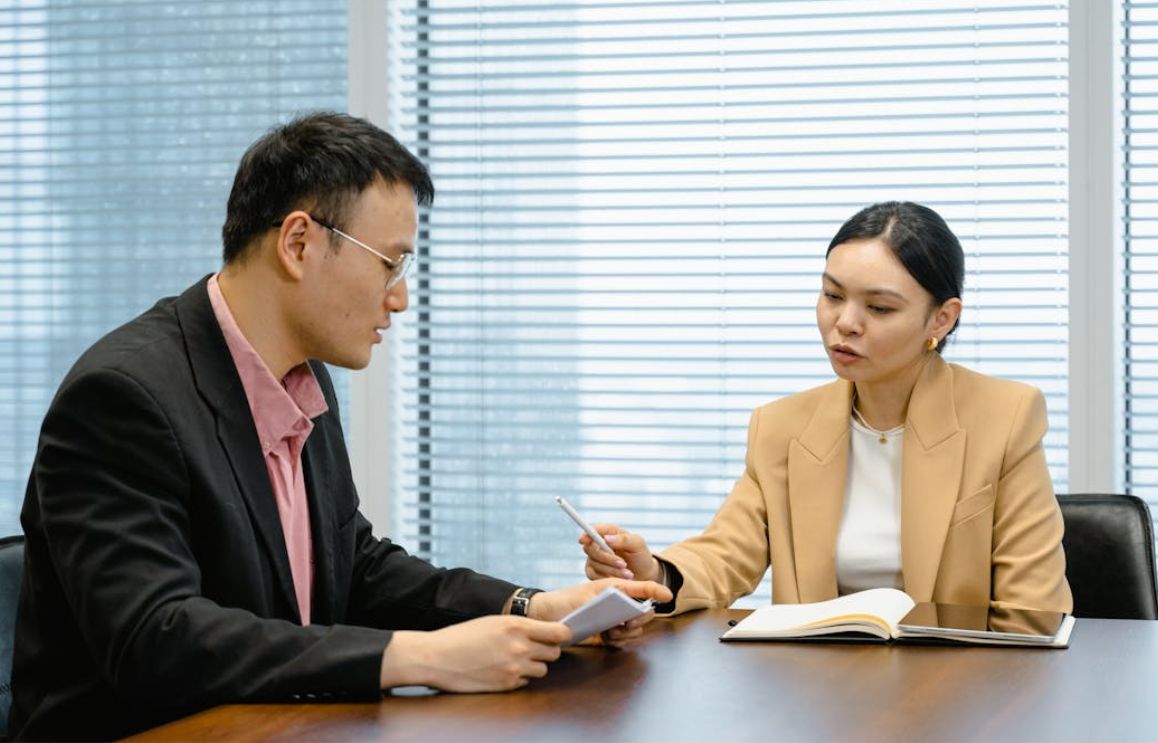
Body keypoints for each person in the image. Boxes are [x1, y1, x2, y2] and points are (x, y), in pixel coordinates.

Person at [11, 112, 670, 741]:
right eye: (390, 263)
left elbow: (354, 567)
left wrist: (531, 607)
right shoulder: (123, 396)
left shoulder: (300, 373)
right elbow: (158, 639)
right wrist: (419, 657)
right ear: (299, 243)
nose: (400, 296)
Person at [581, 201, 1072, 616]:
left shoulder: (1006, 417)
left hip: (963, 703)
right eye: (832, 295)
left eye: (878, 308)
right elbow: (725, 553)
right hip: (818, 695)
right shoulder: (782, 427)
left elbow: (1035, 613)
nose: (845, 323)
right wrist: (655, 572)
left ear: (941, 319)